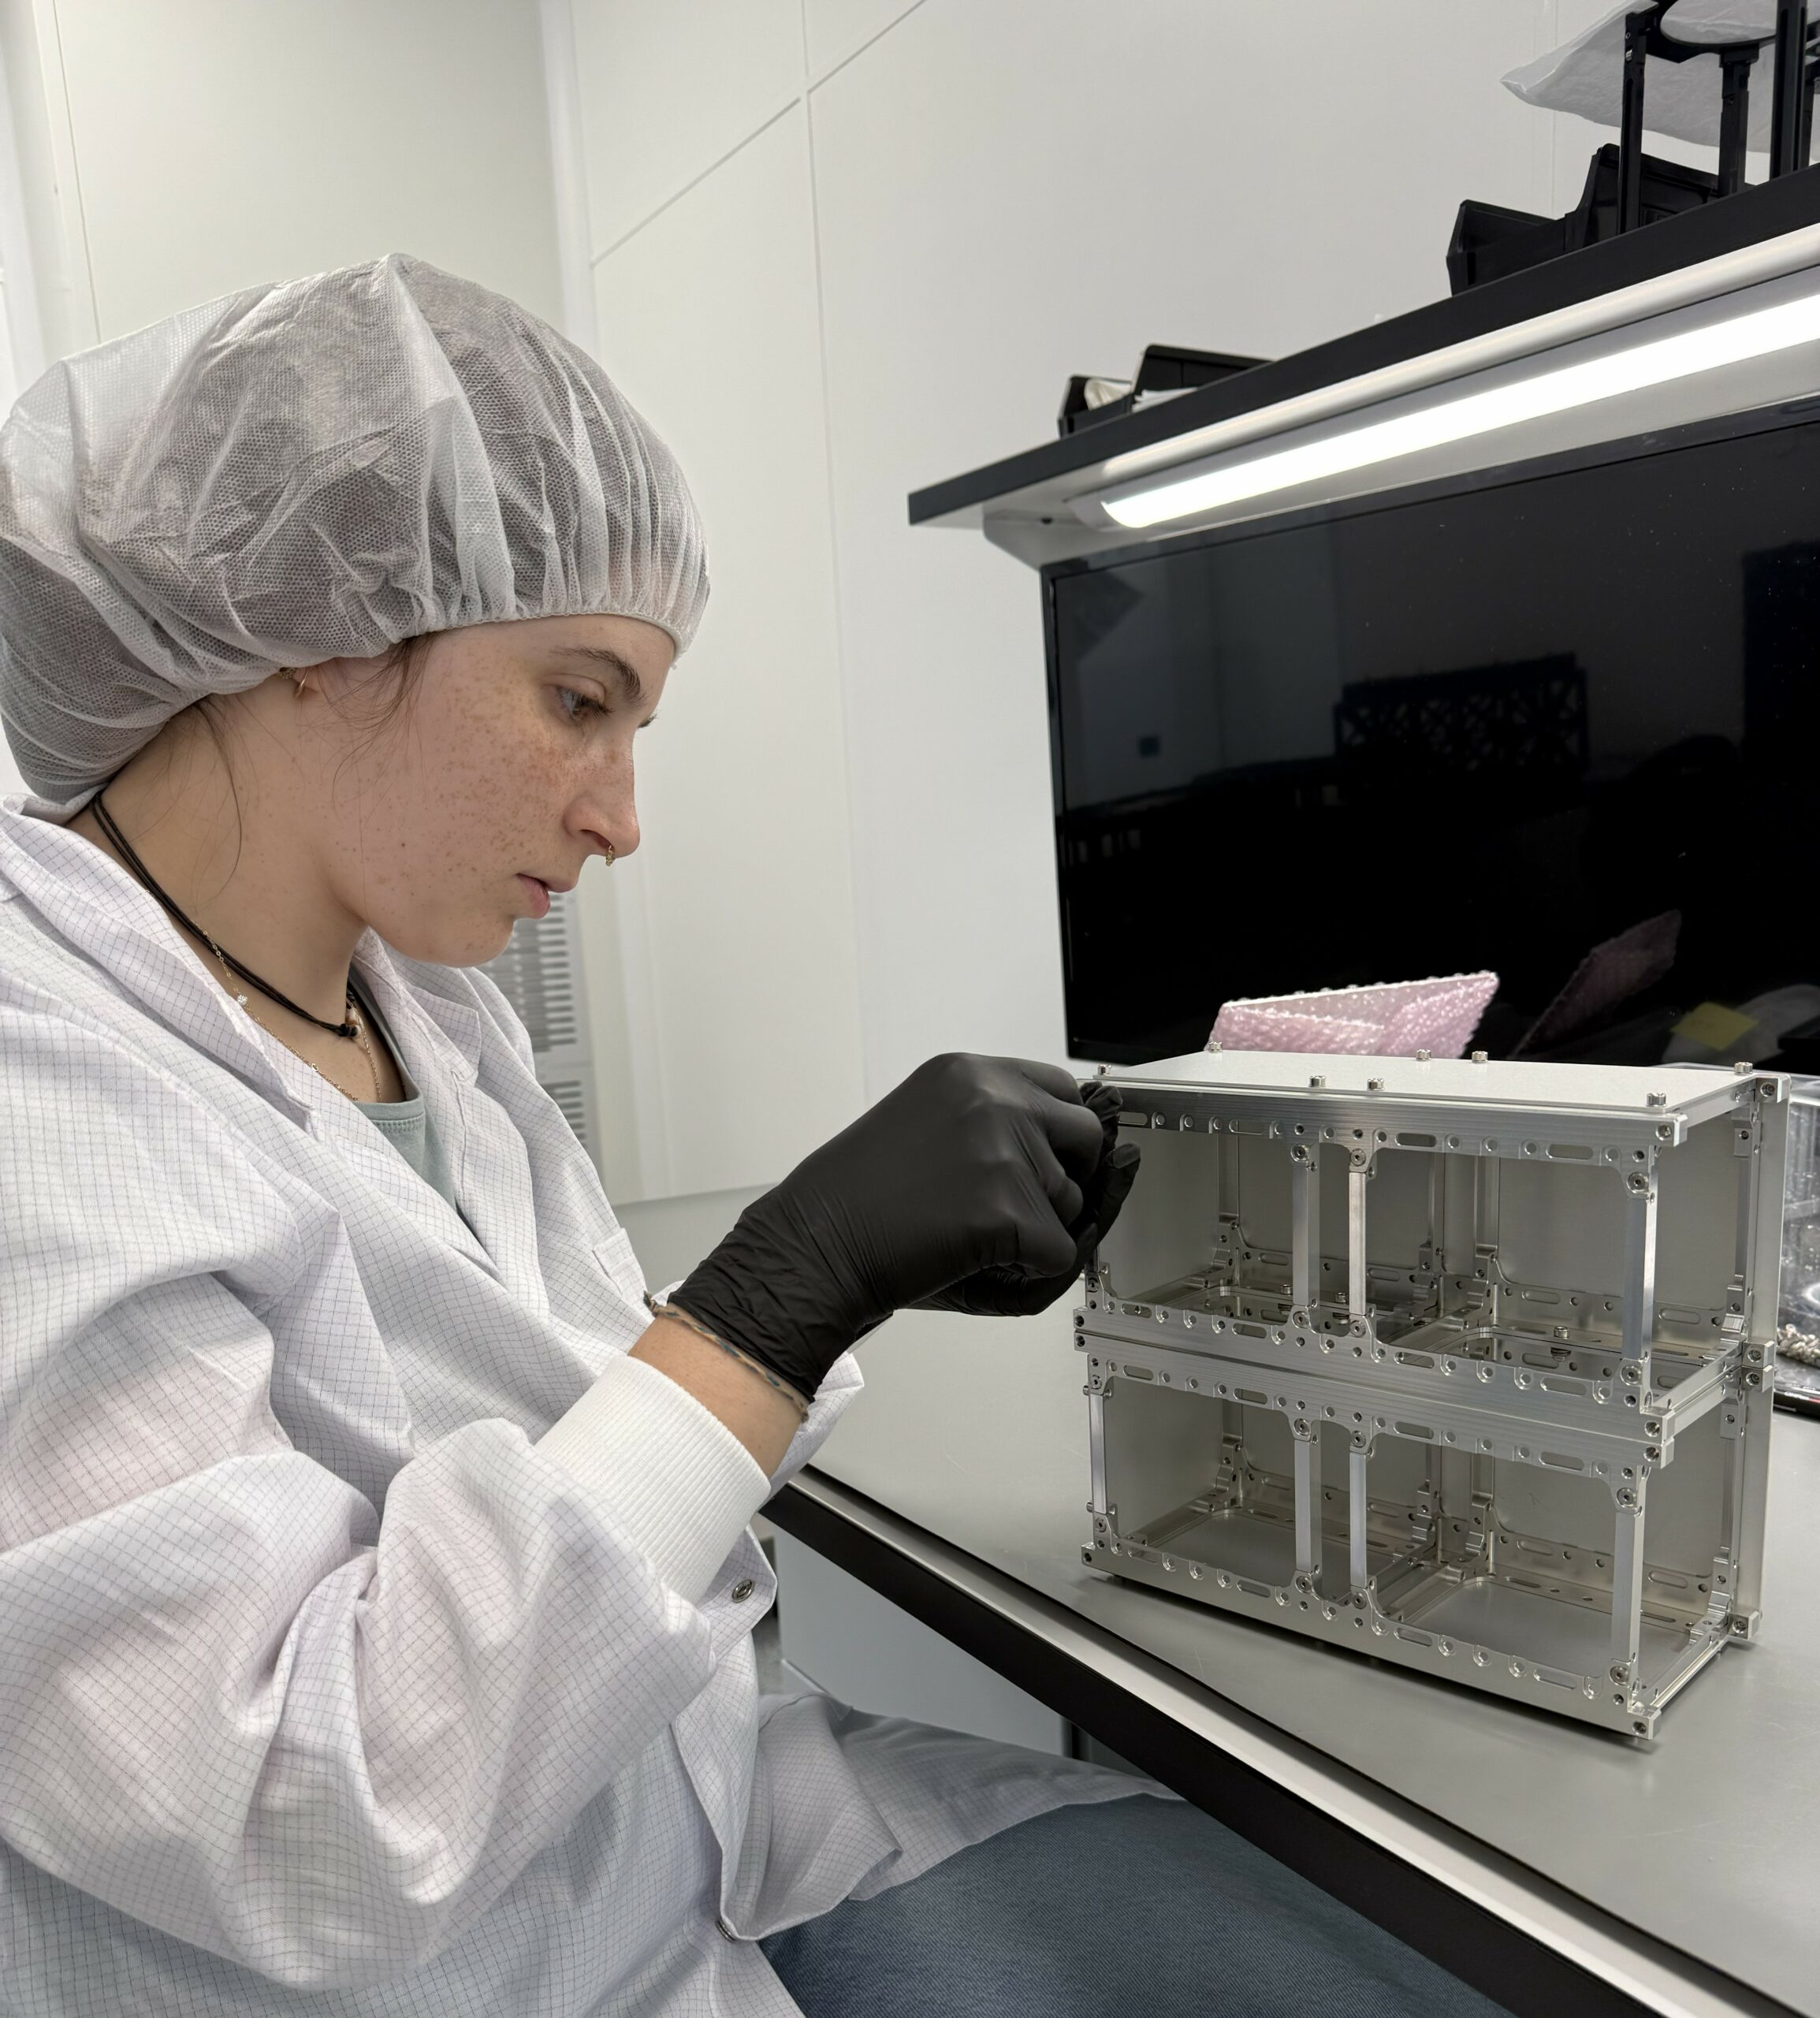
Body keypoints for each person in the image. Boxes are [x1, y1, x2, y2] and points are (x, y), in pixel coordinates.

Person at [0, 255, 1505, 2017]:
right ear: (319, 637)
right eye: (579, 699)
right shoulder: (45, 1087)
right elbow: (300, 1814)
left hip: (689, 1822)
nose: (621, 817)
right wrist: (780, 1296)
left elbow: (569, 1439)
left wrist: (839, 1290)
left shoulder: (427, 1016)